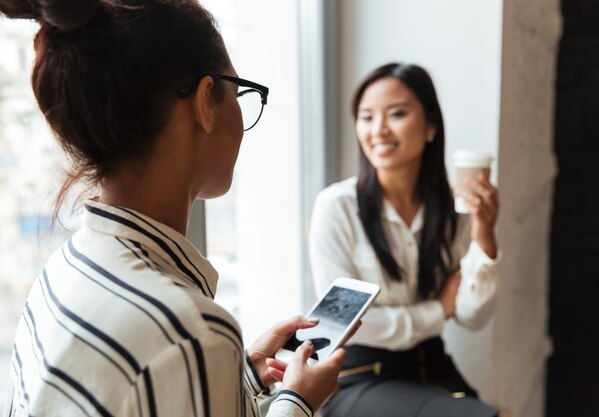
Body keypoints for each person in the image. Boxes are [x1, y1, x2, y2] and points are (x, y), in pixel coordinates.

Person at [0, 1, 346, 416]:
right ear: (204, 101)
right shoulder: (187, 331)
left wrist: (237, 375)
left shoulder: (65, 269)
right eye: (237, 93)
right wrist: (298, 401)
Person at [308, 63, 501, 417]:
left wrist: (484, 236)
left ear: (430, 126)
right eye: (366, 117)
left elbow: (473, 317)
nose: (378, 129)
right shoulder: (337, 208)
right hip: (355, 375)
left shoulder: (454, 213)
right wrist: (438, 309)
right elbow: (345, 326)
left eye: (396, 114)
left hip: (431, 366)